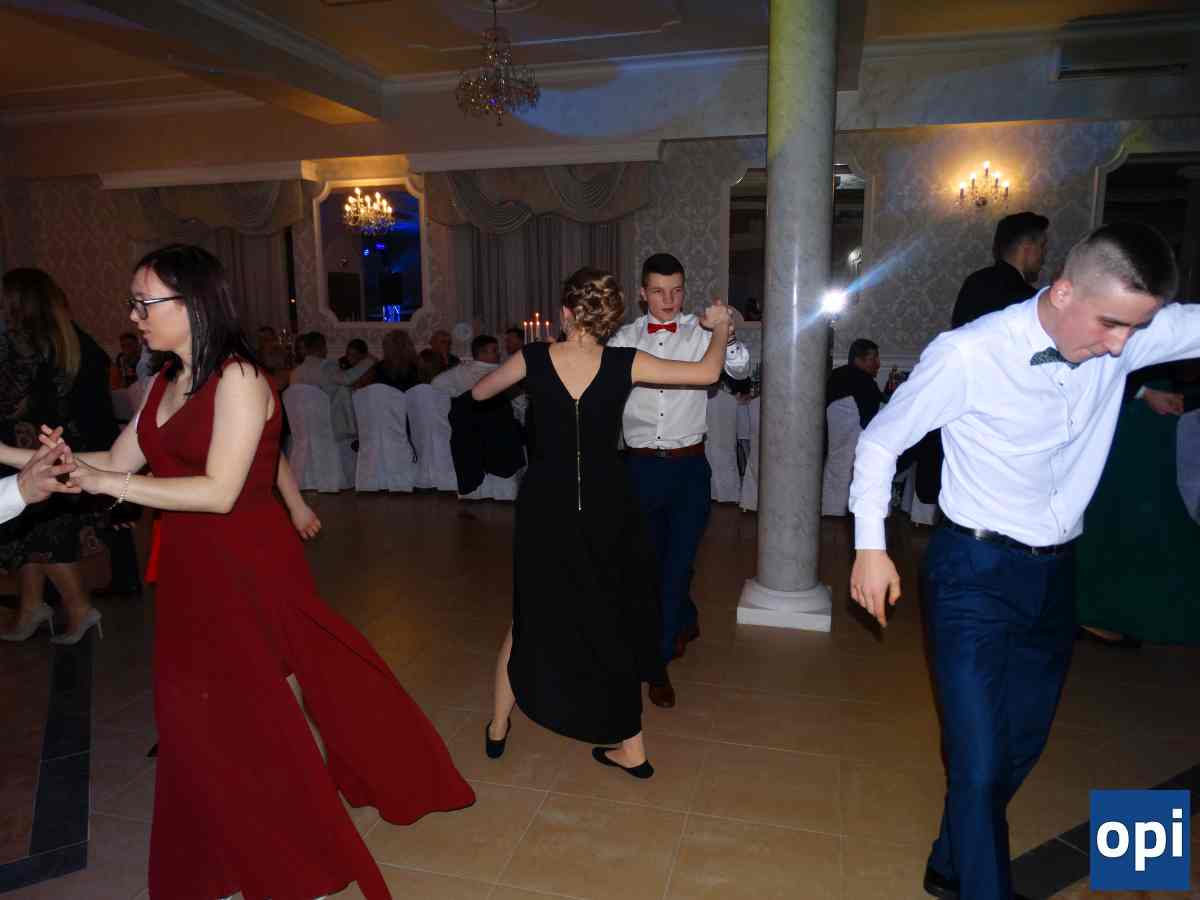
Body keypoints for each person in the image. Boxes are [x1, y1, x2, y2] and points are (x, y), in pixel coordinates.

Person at [31, 244, 473, 899]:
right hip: (189, 565)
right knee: (195, 714)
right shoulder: (164, 382)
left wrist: (107, 483)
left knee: (270, 702)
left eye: (145, 302)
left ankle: (307, 836)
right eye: (134, 302)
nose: (133, 315)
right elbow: (117, 459)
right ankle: (228, 839)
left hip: (246, 562)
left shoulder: (238, 377)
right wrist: (26, 460)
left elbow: (219, 491)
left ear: (193, 303)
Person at [847, 222, 1195, 900]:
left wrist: (1134, 373)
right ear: (1063, 292)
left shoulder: (1126, 336)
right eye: (1111, 324)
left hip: (1056, 574)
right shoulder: (970, 353)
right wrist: (869, 547)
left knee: (1020, 747)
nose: (1121, 345)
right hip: (971, 574)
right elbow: (881, 442)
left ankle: (951, 860)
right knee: (977, 765)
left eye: (1135, 329)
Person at [472, 266, 732, 779]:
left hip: (545, 508)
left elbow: (480, 393)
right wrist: (721, 327)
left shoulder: (534, 357)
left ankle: (498, 725)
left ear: (566, 312)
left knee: (528, 618)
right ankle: (632, 749)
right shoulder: (623, 361)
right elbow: (706, 374)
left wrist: (537, 366)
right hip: (606, 506)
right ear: (610, 316)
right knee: (612, 619)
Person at [607, 252, 751, 708]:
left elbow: (740, 370)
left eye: (676, 291)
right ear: (642, 294)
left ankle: (657, 664)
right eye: (658, 291)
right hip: (639, 469)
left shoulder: (700, 332)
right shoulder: (624, 339)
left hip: (689, 470)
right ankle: (683, 620)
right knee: (647, 567)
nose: (668, 300)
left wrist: (726, 330)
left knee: (677, 565)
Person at [0, 268, 118, 643]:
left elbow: (9, 399)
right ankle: (31, 608)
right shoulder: (72, 338)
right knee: (30, 535)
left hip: (28, 450)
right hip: (65, 446)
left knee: (38, 537)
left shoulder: (20, 343)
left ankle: (80, 610)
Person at [1074, 361, 1200, 646]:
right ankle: (1094, 613)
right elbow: (1094, 358)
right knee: (1118, 511)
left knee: (1151, 515)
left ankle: (1130, 613)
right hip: (1129, 410)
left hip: (1155, 406)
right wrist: (1143, 392)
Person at [950, 211, 1049, 328]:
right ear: (1027, 247)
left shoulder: (974, 281)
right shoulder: (1029, 300)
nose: (1044, 254)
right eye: (1042, 246)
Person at [289, 331, 375, 438]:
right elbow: (347, 379)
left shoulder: (294, 373)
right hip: (327, 427)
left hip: (302, 427)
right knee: (344, 390)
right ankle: (354, 434)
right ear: (322, 347)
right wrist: (369, 361)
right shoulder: (326, 366)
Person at [431, 334, 500, 397]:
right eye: (443, 342)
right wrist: (463, 398)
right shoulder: (428, 358)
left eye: (449, 343)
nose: (447, 345)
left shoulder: (456, 360)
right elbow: (437, 383)